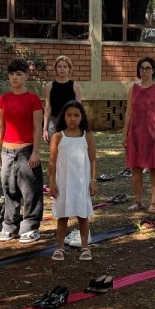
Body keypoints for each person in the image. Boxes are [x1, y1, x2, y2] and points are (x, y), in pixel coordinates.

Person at [0, 58, 44, 243]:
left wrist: (36, 152)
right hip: (7, 151)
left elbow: (37, 128)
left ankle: (30, 228)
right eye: (12, 74)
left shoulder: (33, 99)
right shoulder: (3, 99)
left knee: (30, 191)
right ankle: (9, 226)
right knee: (9, 190)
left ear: (26, 76)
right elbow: (0, 126)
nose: (15, 78)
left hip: (26, 151)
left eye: (19, 74)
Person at [49, 100, 96, 261]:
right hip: (63, 183)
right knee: (63, 216)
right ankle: (60, 247)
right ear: (63, 116)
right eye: (69, 115)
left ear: (82, 117)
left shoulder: (87, 137)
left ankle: (85, 247)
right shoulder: (57, 137)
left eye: (76, 115)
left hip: (82, 183)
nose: (72, 119)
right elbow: (52, 162)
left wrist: (93, 180)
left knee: (83, 215)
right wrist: (52, 183)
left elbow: (93, 160)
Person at [123, 56, 155, 213]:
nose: (144, 71)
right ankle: (138, 201)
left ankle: (154, 203)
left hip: (154, 133)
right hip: (135, 133)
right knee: (135, 168)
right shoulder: (133, 88)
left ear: (153, 70)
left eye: (148, 68)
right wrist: (125, 134)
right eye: (142, 68)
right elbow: (129, 111)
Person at [42, 54, 83, 142]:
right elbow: (48, 108)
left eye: (65, 66)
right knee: (54, 152)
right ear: (56, 69)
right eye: (59, 66)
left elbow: (79, 109)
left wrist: (80, 126)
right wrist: (45, 129)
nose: (62, 69)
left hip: (70, 122)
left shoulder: (75, 86)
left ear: (69, 69)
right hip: (54, 123)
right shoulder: (49, 86)